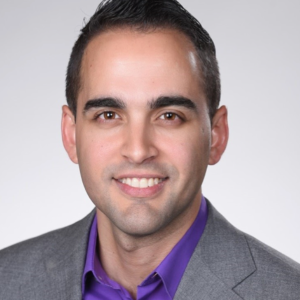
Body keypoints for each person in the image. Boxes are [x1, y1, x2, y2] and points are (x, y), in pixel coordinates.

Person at [0, 0, 299, 299]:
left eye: (169, 116)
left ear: (216, 136)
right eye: (108, 115)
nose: (138, 150)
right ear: (71, 134)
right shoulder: (7, 281)